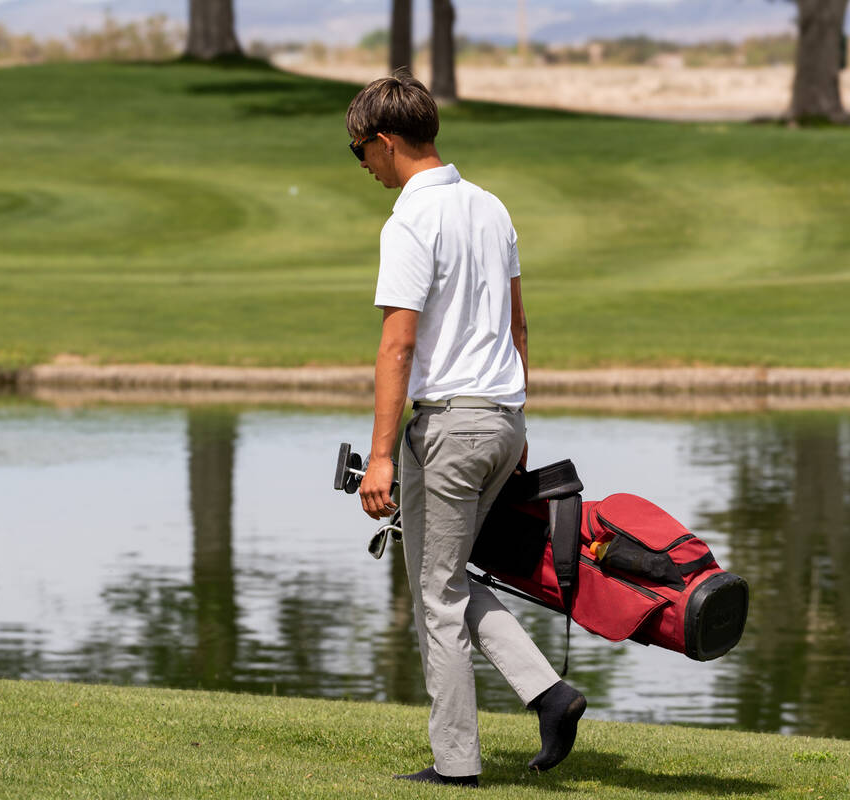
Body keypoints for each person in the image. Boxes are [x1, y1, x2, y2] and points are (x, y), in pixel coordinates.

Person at [347, 70, 586, 788]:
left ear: (385, 141)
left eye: (360, 152)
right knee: (441, 582)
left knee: (438, 596)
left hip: (450, 428)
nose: (362, 167)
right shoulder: (492, 206)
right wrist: (517, 429)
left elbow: (398, 345)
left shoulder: (411, 220)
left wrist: (381, 457)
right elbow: (517, 326)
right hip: (502, 421)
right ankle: (550, 695)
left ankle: (457, 766)